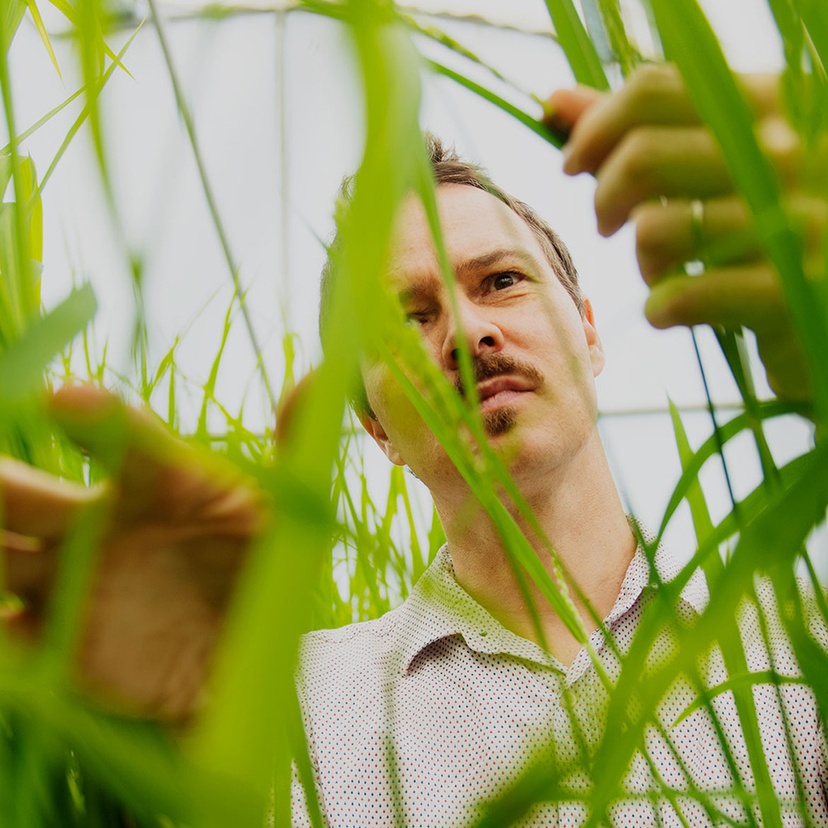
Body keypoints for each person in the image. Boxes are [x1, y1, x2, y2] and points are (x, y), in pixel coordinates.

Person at [0, 65, 824, 824]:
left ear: (590, 332)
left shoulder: (802, 652)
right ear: (374, 426)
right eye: (408, 320)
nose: (467, 334)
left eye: (501, 280)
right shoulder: (291, 706)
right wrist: (159, 760)